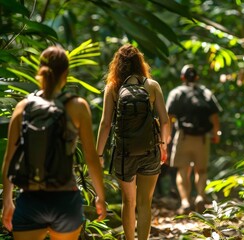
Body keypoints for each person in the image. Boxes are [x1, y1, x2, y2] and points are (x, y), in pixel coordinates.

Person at [1, 46, 107, 240]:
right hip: (65, 200)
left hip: (31, 199)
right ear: (65, 72)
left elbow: (9, 159)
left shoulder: (23, 107)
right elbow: (91, 158)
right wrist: (100, 196)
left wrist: (7, 201)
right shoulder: (77, 106)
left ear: (39, 71)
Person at [96, 44, 169, 240]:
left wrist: (99, 154)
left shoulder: (113, 88)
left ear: (117, 65)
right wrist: (163, 146)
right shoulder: (152, 86)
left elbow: (105, 124)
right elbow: (165, 120)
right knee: (145, 202)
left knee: (128, 202)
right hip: (150, 151)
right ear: (140, 63)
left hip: (123, 154)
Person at [166, 64, 222, 214]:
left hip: (183, 137)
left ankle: (185, 202)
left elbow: (169, 117)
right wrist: (216, 133)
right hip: (202, 139)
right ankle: (200, 197)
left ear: (182, 78)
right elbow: (214, 116)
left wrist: (167, 138)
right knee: (201, 171)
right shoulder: (205, 93)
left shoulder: (176, 93)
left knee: (183, 170)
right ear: (197, 77)